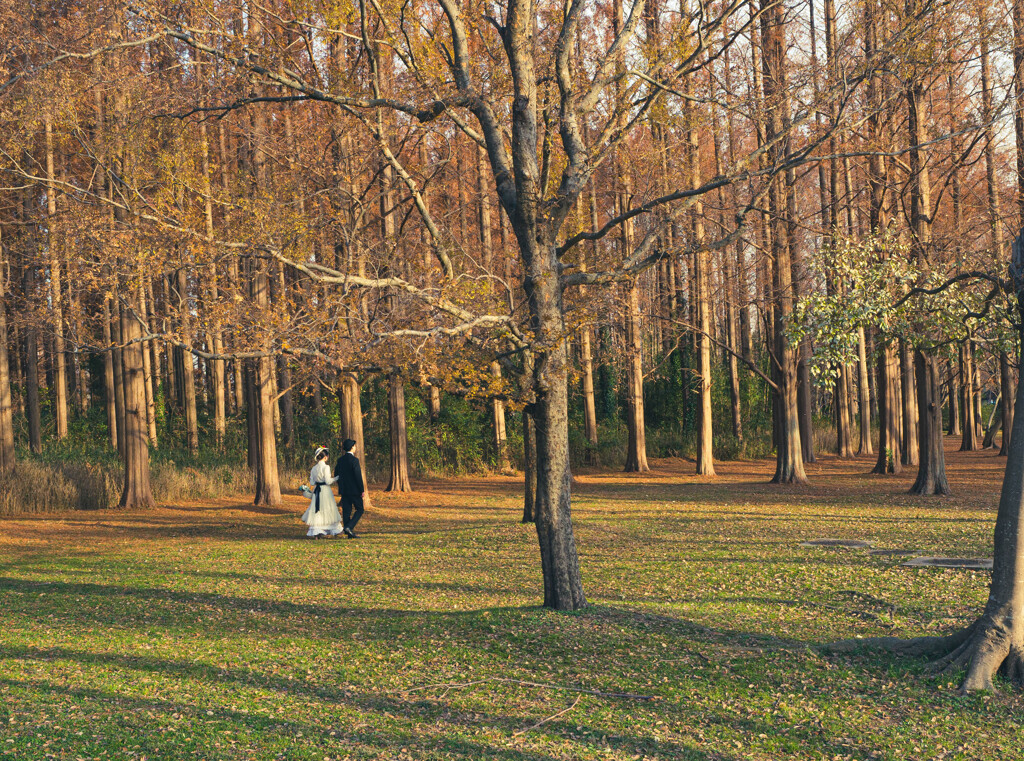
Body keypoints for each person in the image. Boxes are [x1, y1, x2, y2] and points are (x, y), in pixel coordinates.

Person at [301, 446, 343, 539]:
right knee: (328, 509)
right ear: (325, 457)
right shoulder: (326, 467)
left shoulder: (313, 468)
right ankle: (335, 530)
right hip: (325, 490)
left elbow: (312, 482)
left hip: (317, 490)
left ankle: (317, 532)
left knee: (317, 510)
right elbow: (328, 481)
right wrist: (337, 478)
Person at [334, 438, 366, 538]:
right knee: (360, 509)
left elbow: (336, 475)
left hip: (344, 490)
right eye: (355, 446)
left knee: (346, 511)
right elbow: (358, 476)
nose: (355, 448)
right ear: (352, 448)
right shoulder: (354, 460)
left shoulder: (340, 460)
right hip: (355, 490)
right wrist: (361, 489)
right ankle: (349, 527)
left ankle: (349, 533)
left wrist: (341, 485)